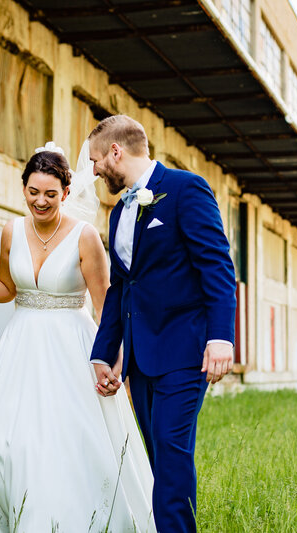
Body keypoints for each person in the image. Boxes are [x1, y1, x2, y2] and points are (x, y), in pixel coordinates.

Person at [0, 145, 155, 532]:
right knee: (10, 443)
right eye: (33, 192)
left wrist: (114, 363)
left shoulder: (85, 237)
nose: (40, 201)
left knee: (67, 442)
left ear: (66, 192)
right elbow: (6, 287)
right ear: (24, 188)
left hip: (71, 350)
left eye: (50, 194)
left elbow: (105, 306)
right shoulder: (12, 230)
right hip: (20, 347)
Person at [88, 115, 237, 533]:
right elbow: (121, 288)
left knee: (172, 455)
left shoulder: (187, 189)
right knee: (159, 458)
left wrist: (221, 337)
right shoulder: (118, 213)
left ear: (116, 151)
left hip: (184, 352)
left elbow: (217, 268)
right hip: (140, 358)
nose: (95, 170)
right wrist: (105, 353)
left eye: (96, 160)